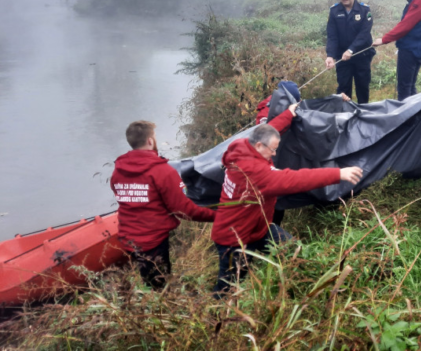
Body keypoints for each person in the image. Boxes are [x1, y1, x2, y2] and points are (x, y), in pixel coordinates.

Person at [211, 104, 363, 295]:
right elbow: (295, 179)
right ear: (259, 146)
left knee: (294, 251)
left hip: (260, 227)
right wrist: (338, 173)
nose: (275, 154)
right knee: (229, 286)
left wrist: (288, 114)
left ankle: (309, 286)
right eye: (273, 150)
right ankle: (218, 315)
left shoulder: (243, 146)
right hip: (235, 239)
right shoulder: (253, 173)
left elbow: (269, 129)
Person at [111, 121, 216, 289]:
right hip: (153, 242)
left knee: (146, 279)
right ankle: (159, 308)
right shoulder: (163, 171)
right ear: (151, 141)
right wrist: (218, 216)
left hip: (129, 239)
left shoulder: (118, 170)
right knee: (159, 285)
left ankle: (143, 302)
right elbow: (185, 210)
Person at [325, 0, 376, 104]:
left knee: (362, 88)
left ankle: (364, 114)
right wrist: (330, 56)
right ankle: (344, 118)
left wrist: (351, 50)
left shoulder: (364, 10)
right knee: (343, 89)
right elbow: (332, 36)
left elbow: (364, 34)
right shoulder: (334, 11)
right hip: (342, 57)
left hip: (361, 56)